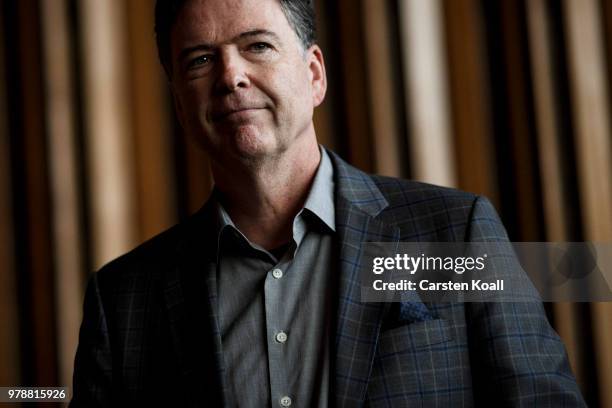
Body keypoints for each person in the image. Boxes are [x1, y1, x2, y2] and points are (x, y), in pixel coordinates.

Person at [71, 0, 586, 406]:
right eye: (200, 59)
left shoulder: (454, 231)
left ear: (314, 74)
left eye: (257, 46)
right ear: (180, 102)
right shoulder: (123, 300)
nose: (230, 76)